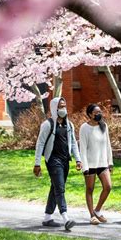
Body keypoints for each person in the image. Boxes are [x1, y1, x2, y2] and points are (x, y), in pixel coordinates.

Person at [33, 97, 82, 231]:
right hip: (53, 160)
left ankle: (47, 217)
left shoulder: (69, 125)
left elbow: (73, 143)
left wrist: (78, 159)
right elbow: (40, 143)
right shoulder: (47, 124)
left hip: (65, 159)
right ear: (54, 108)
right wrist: (37, 163)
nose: (63, 109)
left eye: (64, 106)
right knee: (60, 188)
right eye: (60, 106)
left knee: (55, 187)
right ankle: (66, 217)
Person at [79, 104, 113, 225]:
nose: (99, 114)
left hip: (103, 163)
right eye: (96, 112)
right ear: (89, 114)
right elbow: (82, 148)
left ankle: (97, 210)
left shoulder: (104, 126)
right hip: (90, 164)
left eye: (100, 112)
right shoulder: (84, 128)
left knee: (108, 186)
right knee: (90, 189)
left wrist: (110, 162)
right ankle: (92, 215)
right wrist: (85, 166)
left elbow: (108, 145)